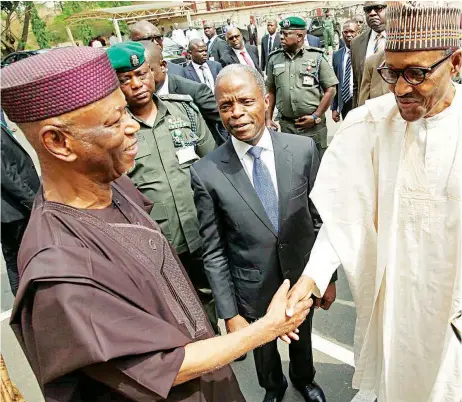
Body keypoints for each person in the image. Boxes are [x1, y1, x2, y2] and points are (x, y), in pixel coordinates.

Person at [2, 46, 312, 402]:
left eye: (125, 112)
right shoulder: (60, 272)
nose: (133, 126)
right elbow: (166, 366)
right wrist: (266, 328)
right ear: (58, 141)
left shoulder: (113, 185)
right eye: (114, 121)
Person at [286, 2, 462, 401]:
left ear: (455, 63)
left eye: (416, 73)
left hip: (452, 310)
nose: (400, 88)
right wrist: (311, 279)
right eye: (392, 72)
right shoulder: (371, 122)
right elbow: (344, 213)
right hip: (395, 307)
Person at [191, 64, 335, 402]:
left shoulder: (301, 151)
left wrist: (328, 277)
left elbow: (319, 220)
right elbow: (213, 250)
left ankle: (304, 379)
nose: (237, 113)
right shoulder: (207, 172)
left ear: (265, 100)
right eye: (226, 106)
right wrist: (229, 313)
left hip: (301, 275)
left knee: (304, 335)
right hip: (251, 287)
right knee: (263, 348)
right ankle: (274, 387)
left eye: (245, 101)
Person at [107, 41, 221, 334]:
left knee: (209, 289)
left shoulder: (184, 111)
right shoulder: (115, 131)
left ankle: (213, 339)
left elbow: (213, 166)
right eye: (125, 80)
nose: (137, 84)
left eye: (142, 74)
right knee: (171, 302)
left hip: (199, 227)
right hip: (154, 237)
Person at [265, 17, 338, 159]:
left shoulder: (316, 57)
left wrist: (316, 116)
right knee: (292, 167)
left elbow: (331, 88)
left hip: (313, 128)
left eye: (286, 34)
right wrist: (268, 118)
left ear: (299, 36)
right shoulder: (274, 59)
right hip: (287, 128)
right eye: (281, 33)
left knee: (317, 166)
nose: (281, 37)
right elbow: (271, 91)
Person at [144, 41, 227, 145]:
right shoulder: (133, 99)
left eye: (144, 73)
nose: (138, 82)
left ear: (163, 66)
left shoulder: (193, 91)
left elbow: (224, 118)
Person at [1, 123, 40, 295]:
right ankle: (28, 308)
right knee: (23, 257)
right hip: (12, 211)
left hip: (9, 210)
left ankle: (25, 308)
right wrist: (31, 201)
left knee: (15, 259)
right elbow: (5, 175)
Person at [350, 1, 387, 107]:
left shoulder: (402, 38)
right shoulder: (356, 43)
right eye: (368, 10)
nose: (372, 13)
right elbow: (357, 83)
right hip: (367, 110)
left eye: (378, 8)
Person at [331, 20, 359, 122]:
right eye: (345, 32)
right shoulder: (337, 55)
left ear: (358, 33)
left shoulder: (365, 54)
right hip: (345, 104)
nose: (348, 35)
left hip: (361, 102)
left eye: (352, 32)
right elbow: (334, 82)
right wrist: (334, 108)